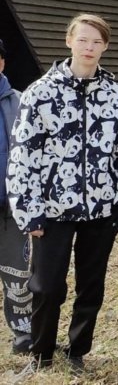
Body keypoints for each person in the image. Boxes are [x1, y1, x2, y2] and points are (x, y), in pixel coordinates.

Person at [4, 16, 118, 373]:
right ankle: (41, 354)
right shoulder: (40, 93)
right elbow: (22, 157)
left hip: (101, 209)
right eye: (83, 40)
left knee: (90, 286)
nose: (89, 47)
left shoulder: (116, 95)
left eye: (96, 42)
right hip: (52, 209)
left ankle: (78, 351)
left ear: (105, 46)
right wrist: (28, 210)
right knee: (47, 287)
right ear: (69, 41)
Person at [0, 38, 32, 356]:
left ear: (2, 63)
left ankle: (23, 331)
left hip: (12, 206)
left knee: (17, 273)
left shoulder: (21, 102)